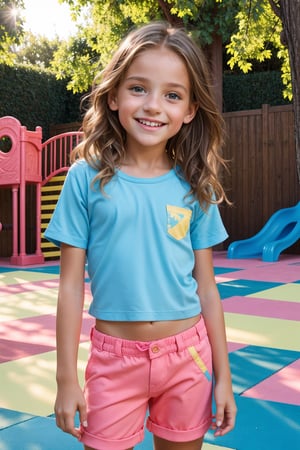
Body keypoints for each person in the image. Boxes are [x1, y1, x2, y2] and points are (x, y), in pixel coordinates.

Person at [45, 21, 237, 450]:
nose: (153, 106)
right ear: (113, 96)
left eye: (172, 95)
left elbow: (207, 288)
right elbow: (71, 285)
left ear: (189, 109)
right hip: (114, 362)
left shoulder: (195, 186)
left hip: (188, 358)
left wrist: (224, 376)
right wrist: (65, 379)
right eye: (138, 88)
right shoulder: (84, 179)